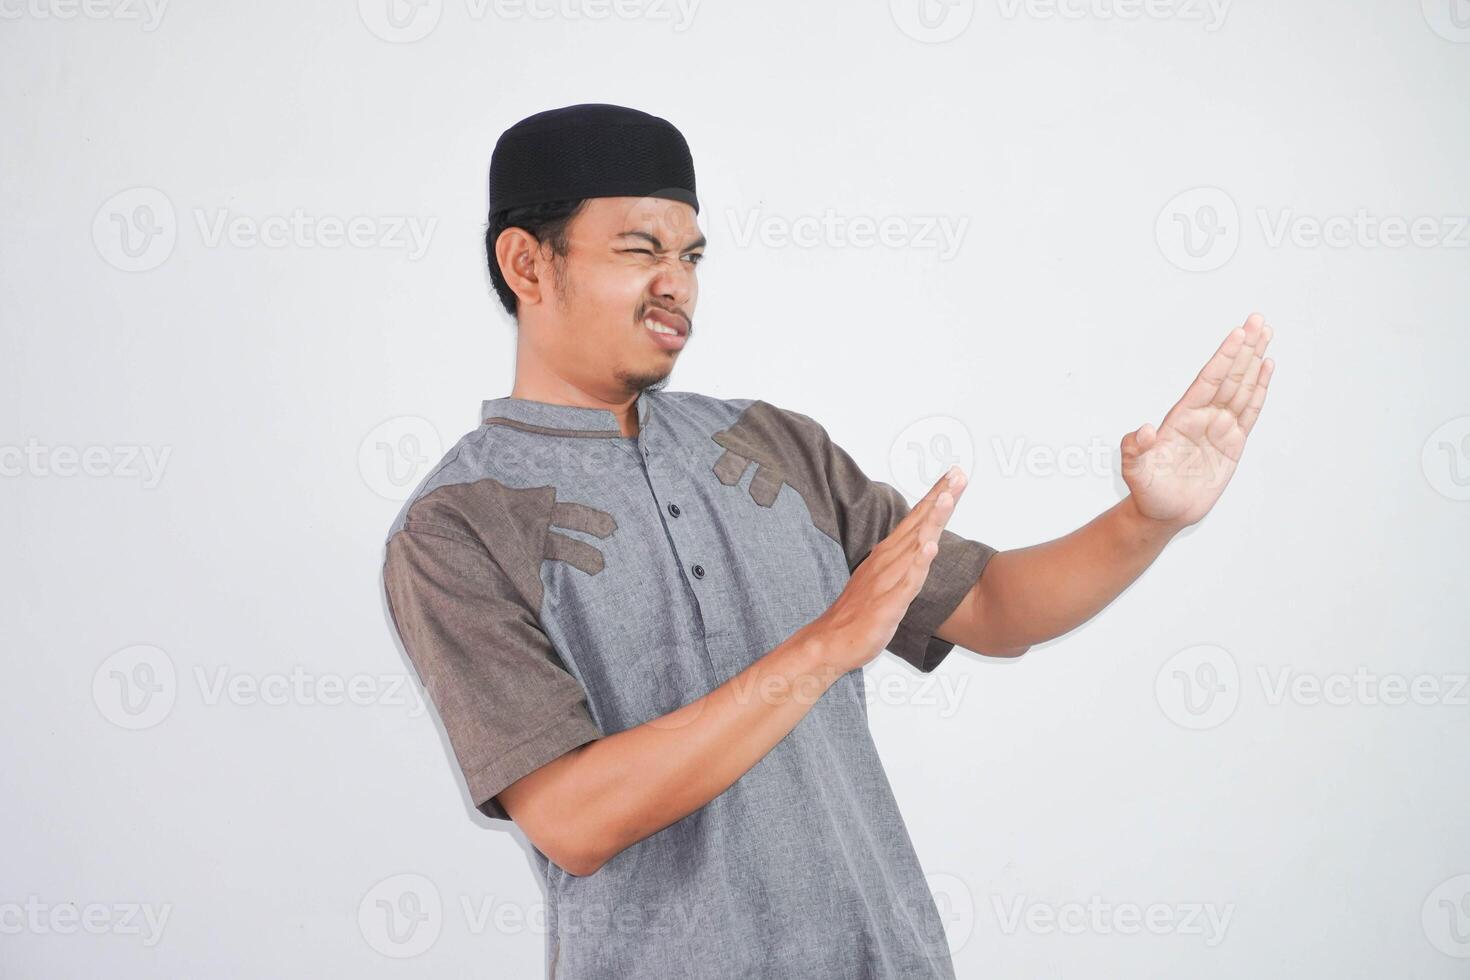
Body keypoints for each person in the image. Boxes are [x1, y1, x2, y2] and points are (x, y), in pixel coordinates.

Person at [380, 103, 1276, 979]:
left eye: (691, 255)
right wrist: (824, 647)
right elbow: (574, 819)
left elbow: (997, 608)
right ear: (527, 265)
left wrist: (1144, 520)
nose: (678, 283)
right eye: (640, 250)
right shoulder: (456, 526)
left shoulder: (768, 447)